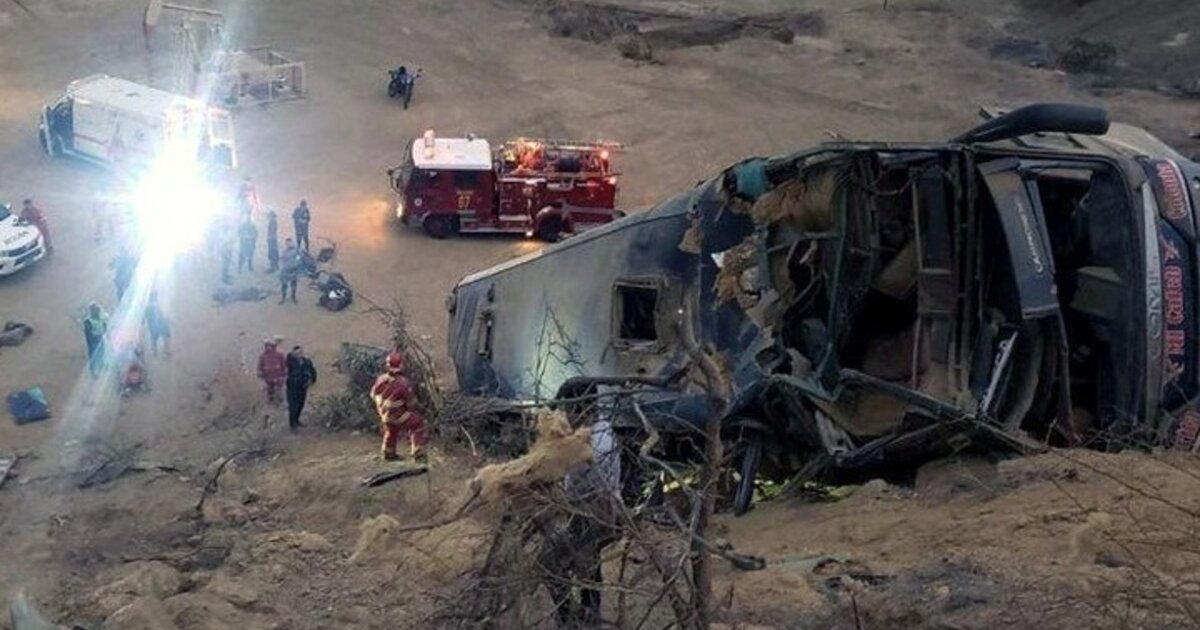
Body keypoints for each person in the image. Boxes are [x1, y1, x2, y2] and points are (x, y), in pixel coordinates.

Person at [542, 405, 622, 626]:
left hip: (595, 511)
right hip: (603, 507)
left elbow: (570, 483)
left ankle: (571, 618)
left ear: (583, 412)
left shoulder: (593, 444)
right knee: (589, 564)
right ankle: (588, 614)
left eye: (570, 411)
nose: (567, 417)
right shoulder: (603, 427)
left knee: (549, 563)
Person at [370, 350, 428, 461]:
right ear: (401, 365)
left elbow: (373, 394)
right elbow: (411, 403)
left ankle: (388, 452)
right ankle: (418, 452)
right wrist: (420, 407)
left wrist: (382, 405)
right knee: (418, 424)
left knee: (391, 430)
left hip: (384, 414)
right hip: (398, 414)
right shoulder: (403, 383)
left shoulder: (381, 379)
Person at [285, 345, 318, 430]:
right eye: (297, 353)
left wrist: (313, 380)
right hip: (292, 387)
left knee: (301, 404)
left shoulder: (306, 361)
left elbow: (312, 370)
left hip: (303, 386)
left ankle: (297, 420)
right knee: (293, 406)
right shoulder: (290, 361)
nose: (299, 354)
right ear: (293, 353)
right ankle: (292, 424)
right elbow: (284, 368)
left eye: (300, 352)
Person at [82, 302, 109, 378]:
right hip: (93, 341)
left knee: (101, 352)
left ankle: (101, 366)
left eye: (98, 310)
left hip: (100, 338)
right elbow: (88, 334)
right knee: (93, 356)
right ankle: (94, 372)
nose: (97, 311)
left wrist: (106, 333)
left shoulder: (101, 318)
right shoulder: (88, 321)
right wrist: (91, 342)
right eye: (95, 310)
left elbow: (104, 327)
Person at [256, 338, 287, 404]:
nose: (268, 348)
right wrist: (259, 371)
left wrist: (284, 372)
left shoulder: (279, 354)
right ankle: (270, 400)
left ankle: (280, 400)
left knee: (279, 389)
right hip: (268, 375)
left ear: (273, 346)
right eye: (267, 346)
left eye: (270, 346)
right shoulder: (263, 355)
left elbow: (284, 364)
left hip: (278, 375)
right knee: (269, 389)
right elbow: (260, 365)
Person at [144, 291, 171, 357]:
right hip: (158, 325)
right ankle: (165, 351)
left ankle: (155, 351)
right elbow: (160, 316)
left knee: (154, 339)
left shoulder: (148, 307)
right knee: (166, 335)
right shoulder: (155, 306)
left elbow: (145, 318)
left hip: (153, 326)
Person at [278, 238, 300, 304]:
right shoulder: (283, 251)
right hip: (285, 269)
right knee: (284, 285)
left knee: (293, 284)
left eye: (290, 243)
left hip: (293, 269)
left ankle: (293, 297)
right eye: (287, 243)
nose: (288, 244)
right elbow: (281, 259)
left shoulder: (296, 250)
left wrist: (296, 262)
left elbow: (299, 257)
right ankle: (283, 297)